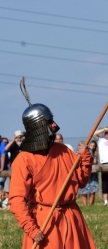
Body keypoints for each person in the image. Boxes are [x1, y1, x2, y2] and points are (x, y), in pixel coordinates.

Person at [9, 82, 95, 249]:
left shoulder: (63, 151)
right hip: (44, 221)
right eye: (50, 122)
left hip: (71, 217)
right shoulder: (24, 159)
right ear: (39, 127)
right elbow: (16, 200)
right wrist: (31, 229)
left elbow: (81, 182)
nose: (55, 124)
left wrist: (85, 158)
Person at [93, 126, 108, 206]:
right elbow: (94, 133)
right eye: (106, 133)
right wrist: (104, 129)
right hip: (104, 163)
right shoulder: (100, 140)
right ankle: (105, 200)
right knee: (105, 182)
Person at [77, 140, 99, 206]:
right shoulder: (80, 152)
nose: (92, 147)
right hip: (84, 171)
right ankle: (85, 204)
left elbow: (94, 161)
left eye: (94, 146)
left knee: (92, 189)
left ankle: (91, 204)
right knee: (84, 189)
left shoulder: (95, 153)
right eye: (91, 145)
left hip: (93, 173)